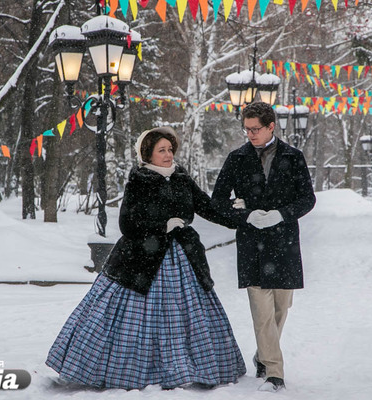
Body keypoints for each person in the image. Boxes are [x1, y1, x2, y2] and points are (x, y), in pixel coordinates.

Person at [46, 127, 246, 390]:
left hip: (183, 256)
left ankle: (189, 367)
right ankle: (134, 372)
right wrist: (162, 225)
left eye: (170, 149)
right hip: (141, 262)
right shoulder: (138, 181)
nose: (168, 154)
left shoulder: (182, 178)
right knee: (135, 318)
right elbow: (128, 224)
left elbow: (207, 207)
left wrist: (239, 214)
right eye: (161, 150)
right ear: (147, 155)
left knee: (186, 314)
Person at [211, 102, 316, 392]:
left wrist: (282, 214)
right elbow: (217, 201)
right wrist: (245, 215)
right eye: (246, 129)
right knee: (262, 313)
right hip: (252, 244)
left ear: (271, 126)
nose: (250, 134)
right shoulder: (237, 158)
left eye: (255, 129)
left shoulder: (293, 157)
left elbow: (308, 199)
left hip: (284, 243)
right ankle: (274, 374)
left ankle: (263, 355)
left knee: (281, 308)